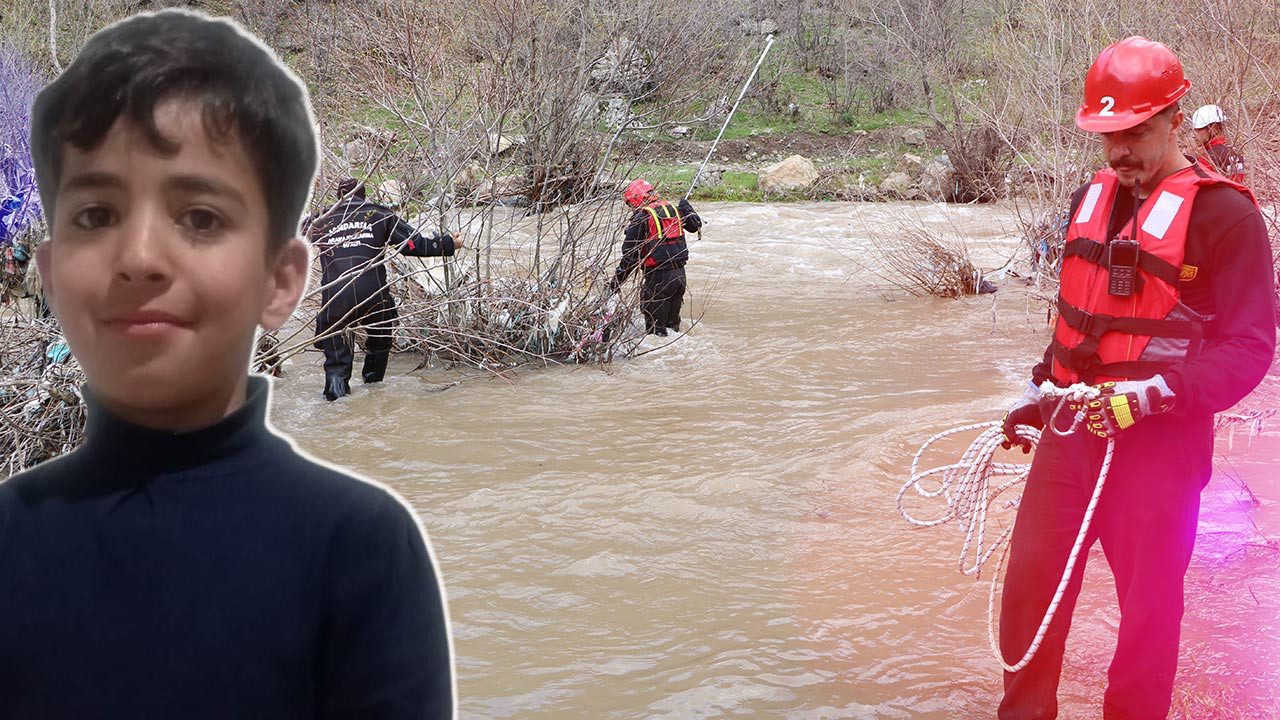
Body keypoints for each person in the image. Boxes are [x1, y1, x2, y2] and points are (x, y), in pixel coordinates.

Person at [4, 9, 454, 718]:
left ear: (280, 279)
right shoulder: (363, 539)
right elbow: (420, 245)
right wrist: (448, 245)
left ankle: (338, 398)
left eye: (201, 218)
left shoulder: (361, 552)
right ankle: (360, 398)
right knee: (375, 374)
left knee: (336, 381)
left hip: (332, 311)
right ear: (52, 274)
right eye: (96, 214)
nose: (140, 258)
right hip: (371, 303)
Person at [998, 37, 1275, 719]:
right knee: (1030, 593)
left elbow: (1251, 349)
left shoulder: (1227, 217)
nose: (1119, 151)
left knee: (1149, 616)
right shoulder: (1087, 199)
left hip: (1160, 452)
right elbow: (1082, 318)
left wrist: (1158, 395)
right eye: (1108, 135)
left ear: (1175, 119)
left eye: (1135, 133)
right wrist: (1038, 391)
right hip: (1072, 434)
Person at [307, 178, 462, 401]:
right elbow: (413, 245)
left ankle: (335, 403)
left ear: (338, 196)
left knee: (337, 365)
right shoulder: (380, 214)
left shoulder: (321, 218)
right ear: (364, 195)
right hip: (374, 295)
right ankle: (373, 391)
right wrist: (448, 244)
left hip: (336, 298)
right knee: (379, 345)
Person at [608, 178, 701, 336]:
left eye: (630, 204)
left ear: (636, 198)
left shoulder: (642, 217)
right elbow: (694, 227)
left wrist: (615, 284)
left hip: (658, 280)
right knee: (673, 330)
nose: (631, 208)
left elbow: (630, 258)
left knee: (656, 333)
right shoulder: (674, 210)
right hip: (680, 278)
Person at [1189, 104, 1247, 184]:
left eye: (1198, 130)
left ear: (1213, 128)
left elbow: (1195, 183)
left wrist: (1191, 160)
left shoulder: (1208, 157)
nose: (1195, 135)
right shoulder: (1235, 152)